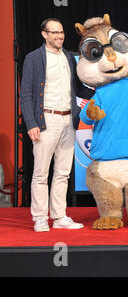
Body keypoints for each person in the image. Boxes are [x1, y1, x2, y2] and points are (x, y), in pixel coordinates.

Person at [20, 18, 95, 232]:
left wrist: (101, 93)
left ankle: (60, 216)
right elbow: (25, 93)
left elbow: (78, 89)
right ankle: (40, 217)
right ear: (44, 34)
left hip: (68, 119)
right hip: (46, 120)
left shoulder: (69, 57)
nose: (60, 36)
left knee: (63, 172)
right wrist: (31, 123)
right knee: (41, 173)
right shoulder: (34, 58)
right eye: (55, 32)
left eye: (61, 32)